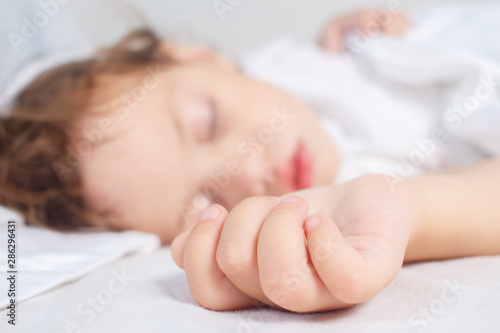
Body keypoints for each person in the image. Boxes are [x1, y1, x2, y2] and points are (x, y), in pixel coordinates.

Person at [0, 8, 499, 313]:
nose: (242, 171)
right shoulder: (325, 218)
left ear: (200, 58)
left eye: (208, 123)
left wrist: (369, 34)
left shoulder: (307, 62)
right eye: (200, 203)